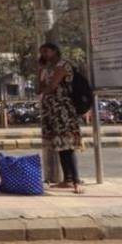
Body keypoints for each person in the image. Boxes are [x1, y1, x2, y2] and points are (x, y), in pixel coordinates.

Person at [38, 42, 84, 194]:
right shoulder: (48, 69)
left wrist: (45, 88)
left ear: (55, 51)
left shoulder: (63, 65)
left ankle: (76, 181)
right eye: (42, 52)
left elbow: (51, 86)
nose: (44, 55)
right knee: (60, 144)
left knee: (67, 144)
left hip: (63, 108)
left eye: (46, 51)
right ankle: (67, 179)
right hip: (52, 109)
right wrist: (40, 72)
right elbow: (39, 88)